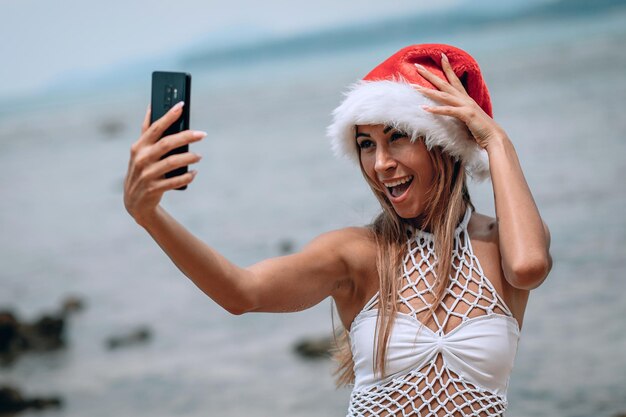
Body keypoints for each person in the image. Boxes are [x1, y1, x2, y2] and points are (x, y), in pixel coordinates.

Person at [123, 44, 552, 416]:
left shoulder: (501, 243)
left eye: (397, 137)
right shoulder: (358, 253)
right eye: (366, 144)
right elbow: (242, 292)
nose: (380, 162)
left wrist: (495, 141)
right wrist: (150, 216)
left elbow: (529, 267)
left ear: (444, 142)